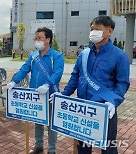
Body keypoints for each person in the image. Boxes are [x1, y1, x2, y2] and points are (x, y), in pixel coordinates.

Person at [51, 16, 130, 154]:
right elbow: (75, 76)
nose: (93, 32)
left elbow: (122, 83)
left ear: (109, 31)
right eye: (91, 29)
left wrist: (113, 101)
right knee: (83, 147)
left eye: (97, 29)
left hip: (104, 108)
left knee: (108, 147)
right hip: (83, 108)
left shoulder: (119, 56)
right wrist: (64, 95)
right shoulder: (84, 54)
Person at [7, 27, 64, 154]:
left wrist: (48, 85)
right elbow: (24, 69)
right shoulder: (33, 56)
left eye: (39, 38)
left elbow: (58, 73)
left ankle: (52, 149)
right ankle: (39, 145)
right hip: (35, 95)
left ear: (48, 39)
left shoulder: (56, 56)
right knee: (38, 121)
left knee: (50, 124)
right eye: (36, 38)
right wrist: (14, 81)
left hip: (50, 94)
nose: (37, 41)